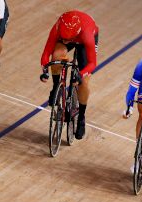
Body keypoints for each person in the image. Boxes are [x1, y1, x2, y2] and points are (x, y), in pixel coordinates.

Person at [40, 10, 99, 140]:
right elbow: (46, 53)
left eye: (68, 40)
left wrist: (81, 74)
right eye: (63, 39)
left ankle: (81, 117)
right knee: (56, 56)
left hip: (83, 41)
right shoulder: (58, 27)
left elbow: (92, 63)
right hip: (72, 36)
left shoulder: (87, 34)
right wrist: (45, 70)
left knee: (84, 82)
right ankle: (57, 86)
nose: (65, 42)